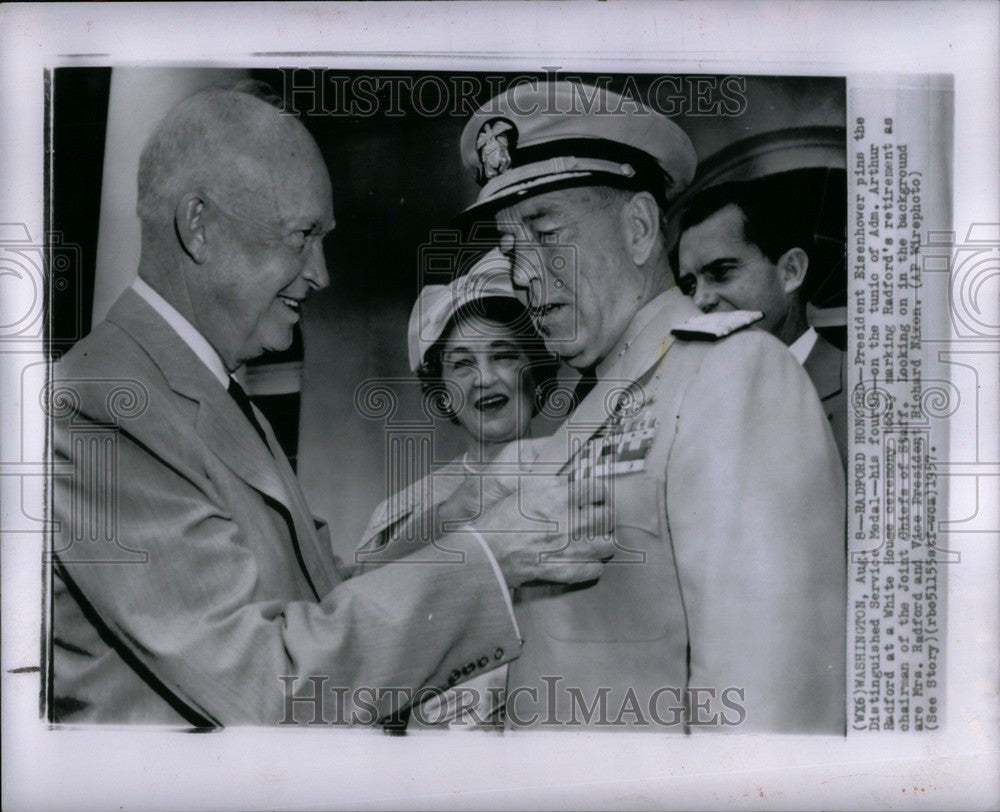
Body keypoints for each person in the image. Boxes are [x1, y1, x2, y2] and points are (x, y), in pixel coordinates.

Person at [49, 81, 615, 727]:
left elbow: (320, 592)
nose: (322, 272)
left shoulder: (206, 391)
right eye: (302, 235)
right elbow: (269, 687)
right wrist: (494, 553)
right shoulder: (100, 404)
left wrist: (459, 509)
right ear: (198, 226)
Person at [457, 80, 847, 733]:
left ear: (639, 228)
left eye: (546, 232)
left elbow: (769, 719)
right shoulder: (589, 408)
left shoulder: (734, 377)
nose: (523, 273)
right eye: (507, 246)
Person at [356, 249, 561, 727]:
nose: (484, 378)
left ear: (536, 366)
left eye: (504, 355)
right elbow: (363, 656)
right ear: (442, 389)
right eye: (462, 364)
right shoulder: (404, 513)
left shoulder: (584, 471)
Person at [676, 173, 848, 464]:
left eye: (720, 272)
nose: (699, 300)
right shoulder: (692, 410)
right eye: (690, 285)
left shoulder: (868, 390)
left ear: (790, 271)